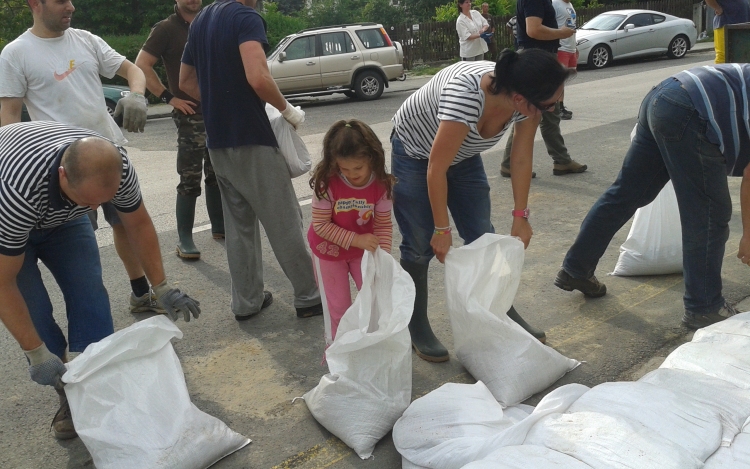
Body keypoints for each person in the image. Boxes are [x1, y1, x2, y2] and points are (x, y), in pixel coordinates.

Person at [0, 121, 201, 439]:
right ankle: (64, 388)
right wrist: (36, 352)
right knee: (34, 309)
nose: (94, 209)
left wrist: (162, 287)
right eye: (87, 201)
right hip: (10, 221)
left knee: (89, 291)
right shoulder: (18, 189)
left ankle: (94, 387)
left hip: (64, 218)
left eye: (99, 203)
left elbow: (138, 223)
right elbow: (3, 283)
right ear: (64, 175)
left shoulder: (117, 165)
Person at [391, 49, 571, 362]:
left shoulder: (525, 104)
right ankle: (415, 324)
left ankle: (501, 308)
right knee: (421, 242)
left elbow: (521, 157)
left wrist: (520, 216)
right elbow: (435, 167)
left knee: (483, 236)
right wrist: (441, 227)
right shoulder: (465, 97)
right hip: (416, 153)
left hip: (461, 154)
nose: (554, 108)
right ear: (519, 99)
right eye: (549, 104)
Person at [555, 64, 750, 330]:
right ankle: (704, 308)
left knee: (626, 193)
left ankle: (575, 269)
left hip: (663, 96)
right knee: (708, 215)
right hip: (690, 111)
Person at [0, 0, 161, 315]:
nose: (71, 7)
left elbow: (132, 70)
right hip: (65, 171)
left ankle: (141, 292)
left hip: (108, 153)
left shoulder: (87, 40)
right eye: (61, 1)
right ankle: (91, 313)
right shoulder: (16, 53)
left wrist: (138, 95)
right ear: (35, 3)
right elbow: (9, 115)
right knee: (82, 247)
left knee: (127, 224)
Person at [180, 0, 323, 320]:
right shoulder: (245, 17)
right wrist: (288, 111)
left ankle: (246, 302)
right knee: (283, 220)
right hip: (252, 138)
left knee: (239, 227)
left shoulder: (201, 20)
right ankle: (309, 296)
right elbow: (258, 77)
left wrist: (221, 101)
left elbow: (186, 82)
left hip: (218, 143)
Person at [136, 0, 224, 260]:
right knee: (189, 176)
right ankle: (185, 238)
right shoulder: (165, 28)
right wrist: (168, 97)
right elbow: (142, 64)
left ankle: (219, 227)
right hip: (189, 116)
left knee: (217, 173)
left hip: (216, 111)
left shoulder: (210, 21)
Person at [307, 120, 395, 346]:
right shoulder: (326, 182)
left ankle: (371, 348)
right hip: (329, 253)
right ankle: (338, 353)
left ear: (372, 159)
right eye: (344, 169)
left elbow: (383, 225)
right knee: (339, 309)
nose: (352, 174)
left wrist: (382, 257)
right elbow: (320, 225)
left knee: (375, 299)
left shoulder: (382, 185)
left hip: (362, 251)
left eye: (358, 168)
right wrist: (356, 239)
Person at [499, 0, 584, 178]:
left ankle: (560, 160)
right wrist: (562, 33)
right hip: (536, 60)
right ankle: (514, 164)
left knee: (543, 113)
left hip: (538, 58)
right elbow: (533, 29)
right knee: (530, 114)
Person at [552, 0, 577, 119]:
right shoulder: (555, 3)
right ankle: (558, 107)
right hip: (561, 46)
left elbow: (571, 24)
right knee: (559, 79)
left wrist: (575, 47)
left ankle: (560, 105)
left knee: (564, 80)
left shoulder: (569, 4)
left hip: (570, 46)